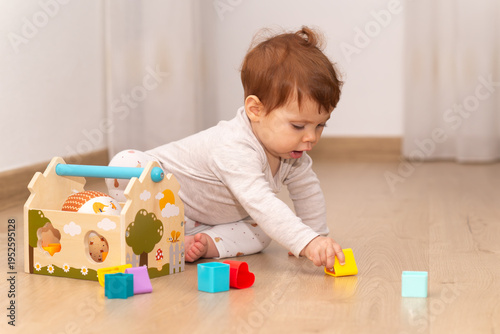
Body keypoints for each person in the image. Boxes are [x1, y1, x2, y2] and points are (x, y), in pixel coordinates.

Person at [106, 26, 345, 269]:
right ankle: (124, 218)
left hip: (197, 221)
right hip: (156, 198)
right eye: (298, 126)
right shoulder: (234, 146)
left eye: (320, 125)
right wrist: (306, 241)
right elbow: (261, 201)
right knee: (127, 163)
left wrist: (316, 236)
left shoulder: (294, 156)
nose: (311, 138)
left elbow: (307, 192)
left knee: (261, 233)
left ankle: (200, 242)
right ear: (256, 110)